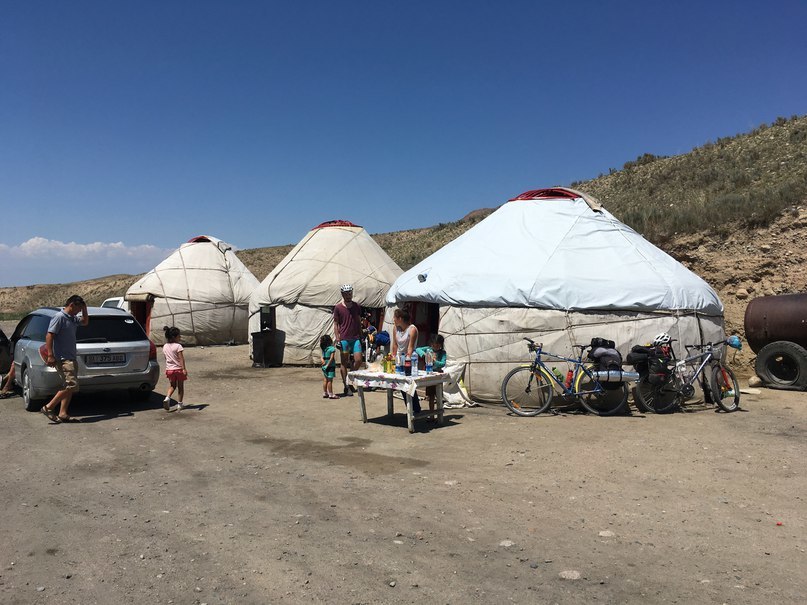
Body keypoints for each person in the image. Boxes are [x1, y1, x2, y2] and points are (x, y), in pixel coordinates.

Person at [41, 295, 89, 423]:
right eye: (79, 308)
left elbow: (84, 322)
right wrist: (50, 355)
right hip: (63, 358)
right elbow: (49, 335)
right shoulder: (59, 317)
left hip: (71, 357)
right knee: (72, 385)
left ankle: (63, 413)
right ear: (72, 305)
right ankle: (49, 407)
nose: (79, 311)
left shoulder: (72, 318)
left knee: (68, 386)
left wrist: (84, 308)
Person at [333, 284, 362, 396]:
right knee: (344, 362)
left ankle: (349, 379)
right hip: (344, 338)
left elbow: (358, 321)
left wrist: (361, 334)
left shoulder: (356, 306)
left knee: (359, 360)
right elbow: (336, 324)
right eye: (346, 293)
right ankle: (346, 385)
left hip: (355, 338)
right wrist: (337, 338)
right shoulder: (338, 307)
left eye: (350, 292)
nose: (349, 295)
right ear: (342, 294)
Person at [391, 307, 421, 413]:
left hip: (410, 359)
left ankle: (415, 409)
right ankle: (411, 408)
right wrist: (393, 358)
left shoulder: (412, 329)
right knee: (401, 385)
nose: (393, 319)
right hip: (399, 359)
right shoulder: (396, 328)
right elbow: (394, 345)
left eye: (395, 317)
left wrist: (406, 362)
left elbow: (410, 348)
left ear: (400, 318)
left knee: (408, 384)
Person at [416, 334, 447, 416]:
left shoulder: (442, 353)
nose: (436, 346)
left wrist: (434, 362)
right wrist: (425, 355)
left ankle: (440, 415)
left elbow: (442, 363)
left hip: (438, 376)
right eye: (434, 344)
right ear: (431, 343)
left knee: (439, 395)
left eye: (438, 344)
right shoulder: (428, 349)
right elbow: (418, 349)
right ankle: (431, 415)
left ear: (441, 344)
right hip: (429, 375)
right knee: (431, 396)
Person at [162, 326, 188, 411]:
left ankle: (167, 398)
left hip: (169, 370)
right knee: (180, 387)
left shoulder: (165, 346)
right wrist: (184, 369)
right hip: (178, 370)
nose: (180, 337)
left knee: (172, 386)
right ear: (174, 337)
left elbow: (166, 358)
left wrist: (168, 367)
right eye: (179, 336)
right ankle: (180, 404)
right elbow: (181, 358)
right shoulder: (178, 346)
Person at [320, 335, 338, 399]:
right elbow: (331, 358)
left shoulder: (324, 349)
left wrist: (323, 362)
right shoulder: (332, 348)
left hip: (324, 367)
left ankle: (325, 393)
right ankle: (331, 394)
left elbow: (321, 357)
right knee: (330, 380)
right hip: (330, 367)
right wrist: (328, 365)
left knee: (325, 380)